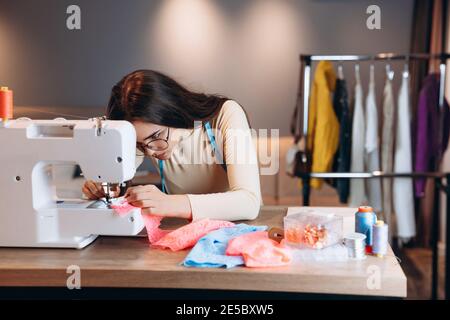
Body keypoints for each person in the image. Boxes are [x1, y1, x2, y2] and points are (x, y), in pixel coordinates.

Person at [82, 70, 262, 221]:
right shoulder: (146, 138)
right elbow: (117, 176)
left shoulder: (226, 114)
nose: (150, 152)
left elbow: (249, 202)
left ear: (172, 111)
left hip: (238, 231)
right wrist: (106, 186)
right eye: (139, 145)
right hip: (183, 232)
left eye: (156, 136)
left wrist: (168, 203)